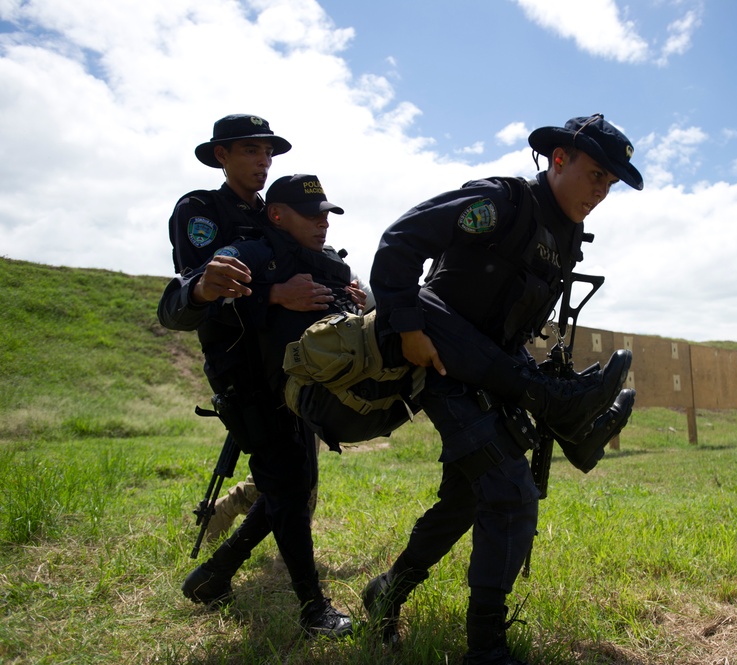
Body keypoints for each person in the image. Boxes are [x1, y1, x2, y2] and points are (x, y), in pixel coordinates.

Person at [361, 114, 644, 664]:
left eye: (609, 184)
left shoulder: (564, 237)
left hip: (491, 369)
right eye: (594, 175)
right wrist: (408, 324)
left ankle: (386, 591)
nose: (600, 192)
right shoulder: (502, 203)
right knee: (509, 491)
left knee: (466, 497)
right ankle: (485, 648)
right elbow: (400, 241)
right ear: (559, 159)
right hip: (441, 361)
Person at [160, 174, 367, 638]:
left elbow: (337, 319)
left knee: (291, 488)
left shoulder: (327, 263)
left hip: (298, 392)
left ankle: (213, 576)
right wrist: (215, 290)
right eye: (312, 215)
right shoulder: (243, 255)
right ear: (277, 215)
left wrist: (352, 305)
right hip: (251, 389)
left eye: (327, 215)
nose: (323, 224)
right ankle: (314, 610)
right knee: (290, 491)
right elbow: (177, 306)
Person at [168, 114, 333, 542]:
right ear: (221, 155)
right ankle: (238, 558)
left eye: (268, 152)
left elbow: (304, 261)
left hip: (286, 351)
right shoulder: (201, 210)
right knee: (289, 469)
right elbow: (202, 292)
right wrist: (273, 295)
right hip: (238, 355)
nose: (264, 161)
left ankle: (238, 514)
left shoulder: (274, 212)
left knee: (300, 462)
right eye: (250, 150)